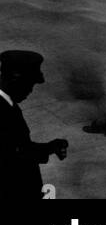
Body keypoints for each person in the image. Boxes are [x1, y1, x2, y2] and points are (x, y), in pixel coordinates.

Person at [0, 50, 68, 200]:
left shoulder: (9, 104)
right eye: (28, 85)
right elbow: (14, 155)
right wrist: (48, 148)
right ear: (14, 80)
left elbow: (17, 147)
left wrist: (50, 147)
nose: (30, 91)